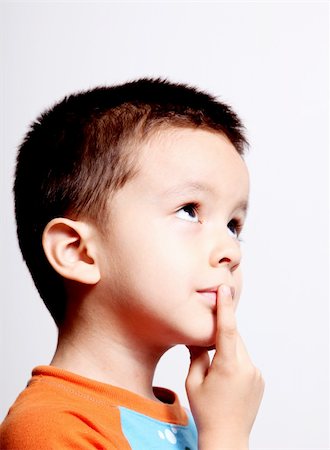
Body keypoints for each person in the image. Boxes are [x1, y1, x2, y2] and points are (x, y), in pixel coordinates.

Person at [0, 78, 264, 449]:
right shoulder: (47, 428)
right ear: (78, 252)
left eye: (234, 226)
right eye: (189, 211)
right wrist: (227, 435)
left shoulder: (182, 420)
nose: (230, 252)